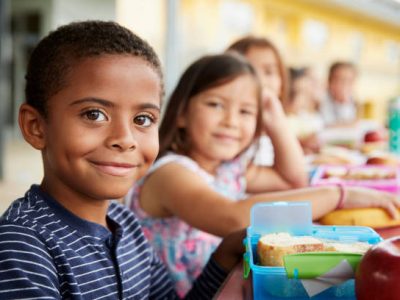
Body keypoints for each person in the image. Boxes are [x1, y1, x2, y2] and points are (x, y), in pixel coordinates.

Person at [0, 21, 246, 299]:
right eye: (94, 114)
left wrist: (225, 255)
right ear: (36, 126)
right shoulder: (21, 244)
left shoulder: (126, 224)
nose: (125, 138)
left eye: (143, 119)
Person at [127, 52, 400, 295]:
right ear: (182, 113)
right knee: (327, 279)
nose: (231, 121)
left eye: (246, 111)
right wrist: (340, 194)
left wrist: (275, 118)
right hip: (197, 291)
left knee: (342, 274)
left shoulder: (229, 170)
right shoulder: (170, 173)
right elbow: (232, 217)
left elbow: (293, 178)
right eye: (215, 104)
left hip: (231, 280)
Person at [227, 36, 305, 168]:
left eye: (269, 72)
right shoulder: (230, 131)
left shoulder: (271, 132)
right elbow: (294, 180)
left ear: (281, 84)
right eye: (249, 70)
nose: (260, 81)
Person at [286, 67, 324, 154]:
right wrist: (302, 143)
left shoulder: (302, 117)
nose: (305, 98)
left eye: (305, 92)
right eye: (299, 92)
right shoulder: (282, 120)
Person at [319, 61, 358, 126]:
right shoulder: (321, 99)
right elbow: (327, 124)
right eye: (341, 80)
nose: (345, 85)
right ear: (329, 81)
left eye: (349, 81)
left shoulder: (351, 100)